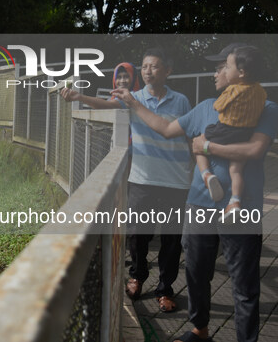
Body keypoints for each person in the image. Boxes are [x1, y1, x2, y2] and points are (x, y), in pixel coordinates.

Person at [112, 44, 278, 342]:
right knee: (197, 272)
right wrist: (135, 104)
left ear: (241, 73)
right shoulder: (206, 107)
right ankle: (200, 330)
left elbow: (255, 150)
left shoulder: (266, 107)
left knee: (244, 284)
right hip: (199, 203)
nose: (216, 71)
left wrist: (208, 147)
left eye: (221, 66)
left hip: (242, 207)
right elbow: (165, 128)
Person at [62, 49, 193, 313]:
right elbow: (107, 104)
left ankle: (166, 289)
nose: (147, 71)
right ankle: (137, 276)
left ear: (167, 71)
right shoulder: (132, 98)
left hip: (175, 182)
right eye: (144, 66)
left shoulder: (181, 102)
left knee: (170, 240)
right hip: (142, 179)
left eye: (153, 67)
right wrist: (78, 96)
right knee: (136, 234)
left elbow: (188, 135)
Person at [195, 46, 266, 223]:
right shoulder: (260, 90)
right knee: (236, 170)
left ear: (241, 72)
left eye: (227, 67)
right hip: (246, 133)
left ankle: (206, 175)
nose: (224, 71)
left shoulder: (234, 89)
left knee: (200, 140)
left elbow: (218, 106)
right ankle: (235, 201)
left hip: (228, 129)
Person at [60, 61, 141, 107]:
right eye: (119, 77)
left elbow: (108, 105)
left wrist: (80, 97)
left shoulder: (135, 97)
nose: (122, 81)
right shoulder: (113, 98)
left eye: (126, 76)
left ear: (133, 79)